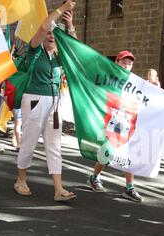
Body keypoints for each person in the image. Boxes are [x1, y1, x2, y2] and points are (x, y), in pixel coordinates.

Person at [14, 0, 77, 202]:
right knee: (29, 142)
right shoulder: (35, 50)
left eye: (54, 34)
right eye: (49, 34)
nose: (50, 36)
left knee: (54, 145)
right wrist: (61, 9)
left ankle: (58, 189)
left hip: (54, 104)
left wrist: (69, 26)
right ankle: (21, 179)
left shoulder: (59, 57)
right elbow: (43, 27)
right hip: (34, 100)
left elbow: (74, 50)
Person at [86, 50, 143, 202]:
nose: (126, 66)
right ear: (116, 62)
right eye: (124, 62)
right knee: (106, 152)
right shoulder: (107, 78)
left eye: (130, 64)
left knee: (129, 153)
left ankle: (129, 187)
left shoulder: (134, 83)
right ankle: (94, 177)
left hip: (126, 121)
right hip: (109, 121)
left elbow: (149, 96)